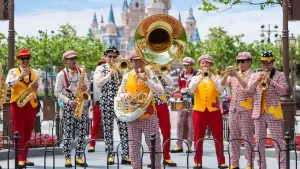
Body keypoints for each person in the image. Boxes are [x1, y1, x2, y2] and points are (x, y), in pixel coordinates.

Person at [117, 50, 164, 169]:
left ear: (144, 62)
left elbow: (160, 91)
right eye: (135, 61)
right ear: (131, 62)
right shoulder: (127, 76)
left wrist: (147, 80)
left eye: (140, 61)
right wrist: (124, 95)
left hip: (148, 116)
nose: (138, 64)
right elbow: (120, 94)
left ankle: (156, 167)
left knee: (154, 145)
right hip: (132, 116)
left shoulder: (151, 74)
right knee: (133, 147)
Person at [244, 51, 287, 169]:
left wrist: (271, 82)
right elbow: (248, 91)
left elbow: (283, 91)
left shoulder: (280, 75)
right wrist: (257, 80)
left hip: (273, 112)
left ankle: (282, 167)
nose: (266, 66)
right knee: (259, 143)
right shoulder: (254, 75)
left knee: (278, 142)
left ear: (273, 62)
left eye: (268, 63)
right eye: (263, 63)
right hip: (258, 114)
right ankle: (261, 166)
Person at [5, 49, 44, 168]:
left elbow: (41, 89)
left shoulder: (35, 72)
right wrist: (19, 76)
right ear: (19, 60)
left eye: (27, 58)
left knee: (28, 132)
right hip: (17, 104)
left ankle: (25, 157)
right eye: (23, 58)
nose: (25, 60)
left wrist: (37, 87)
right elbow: (8, 84)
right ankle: (20, 158)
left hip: (31, 105)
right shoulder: (13, 71)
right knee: (18, 131)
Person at [189, 55, 228, 169]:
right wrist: (201, 77)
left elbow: (220, 89)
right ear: (199, 65)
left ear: (211, 65)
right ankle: (198, 161)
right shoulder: (195, 78)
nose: (205, 65)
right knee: (198, 137)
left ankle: (221, 161)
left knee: (218, 137)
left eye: (207, 63)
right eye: (202, 63)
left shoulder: (216, 77)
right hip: (199, 110)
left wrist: (211, 77)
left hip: (214, 111)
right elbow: (191, 89)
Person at [94, 46, 131, 165]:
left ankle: (126, 155)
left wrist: (121, 72)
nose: (112, 59)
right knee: (108, 129)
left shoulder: (122, 68)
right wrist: (110, 74)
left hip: (120, 102)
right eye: (110, 57)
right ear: (105, 57)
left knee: (124, 129)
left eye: (114, 57)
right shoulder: (100, 68)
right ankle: (110, 154)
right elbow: (98, 84)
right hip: (106, 101)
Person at [54, 50, 89, 167]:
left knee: (81, 132)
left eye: (75, 58)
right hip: (68, 105)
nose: (74, 60)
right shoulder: (61, 74)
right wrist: (68, 101)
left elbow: (88, 87)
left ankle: (79, 156)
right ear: (65, 61)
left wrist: (85, 88)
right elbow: (57, 92)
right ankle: (67, 157)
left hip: (80, 104)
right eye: (71, 59)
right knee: (68, 132)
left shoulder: (82, 72)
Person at [220, 52, 255, 169]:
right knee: (233, 138)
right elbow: (222, 85)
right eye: (238, 61)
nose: (240, 63)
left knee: (247, 138)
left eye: (243, 61)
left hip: (247, 111)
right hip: (233, 110)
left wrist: (236, 75)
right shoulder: (233, 75)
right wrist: (226, 75)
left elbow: (248, 88)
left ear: (249, 62)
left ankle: (249, 163)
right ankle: (234, 163)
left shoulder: (253, 75)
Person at [171, 57, 196, 153]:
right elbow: (179, 87)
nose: (185, 67)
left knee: (191, 124)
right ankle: (179, 145)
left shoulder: (196, 74)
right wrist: (174, 92)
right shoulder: (181, 74)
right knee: (179, 123)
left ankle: (189, 145)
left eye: (187, 65)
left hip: (193, 101)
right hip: (183, 100)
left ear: (191, 65)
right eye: (184, 65)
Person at [153, 68, 177, 167]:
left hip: (162, 103)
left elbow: (170, 83)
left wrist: (161, 72)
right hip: (150, 104)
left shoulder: (163, 71)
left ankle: (166, 157)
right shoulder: (145, 70)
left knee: (166, 131)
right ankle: (153, 158)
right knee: (151, 132)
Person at [88, 58, 106, 152]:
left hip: (108, 103)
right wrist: (91, 104)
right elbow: (92, 92)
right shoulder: (95, 76)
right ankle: (92, 144)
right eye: (101, 64)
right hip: (98, 103)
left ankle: (108, 144)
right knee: (95, 125)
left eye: (104, 64)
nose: (102, 66)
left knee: (108, 125)